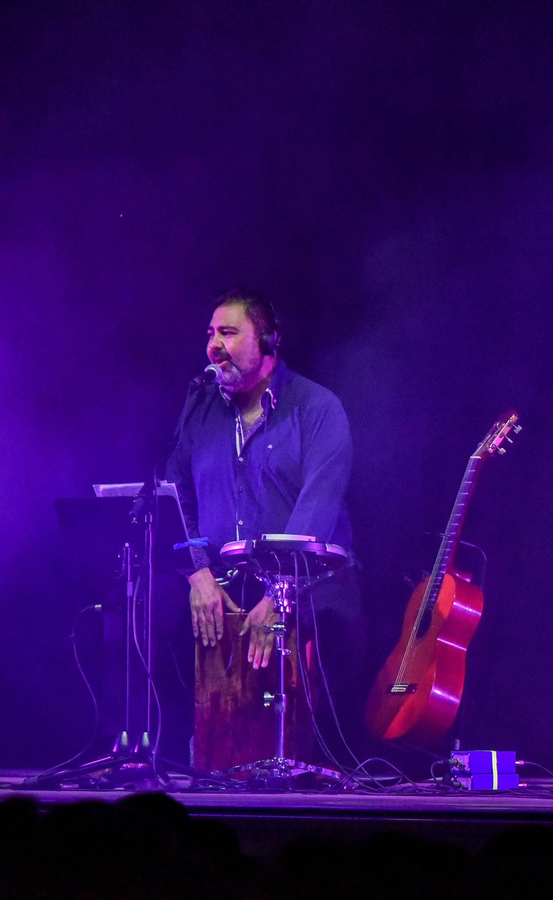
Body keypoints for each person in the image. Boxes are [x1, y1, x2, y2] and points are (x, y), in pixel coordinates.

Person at [164, 289, 364, 752]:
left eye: (228, 332)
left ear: (269, 342)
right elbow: (176, 498)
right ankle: (191, 765)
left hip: (312, 585)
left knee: (330, 636)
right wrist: (198, 575)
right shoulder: (200, 410)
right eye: (210, 334)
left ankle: (314, 776)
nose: (214, 344)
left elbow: (318, 508)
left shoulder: (318, 409)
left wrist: (281, 593)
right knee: (150, 618)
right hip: (225, 583)